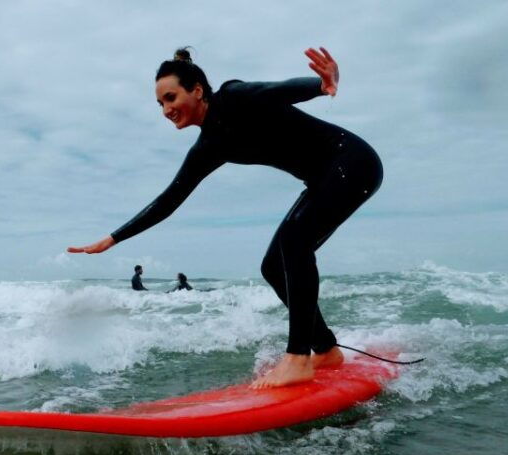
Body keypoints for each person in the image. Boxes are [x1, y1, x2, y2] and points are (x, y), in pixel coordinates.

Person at [68, 46, 383, 388]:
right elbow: (170, 199)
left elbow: (278, 89)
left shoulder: (234, 97)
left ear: (198, 90)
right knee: (273, 266)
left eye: (171, 97)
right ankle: (324, 349)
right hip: (324, 178)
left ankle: (298, 359)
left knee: (295, 242)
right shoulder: (208, 146)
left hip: (352, 162)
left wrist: (320, 85)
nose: (166, 109)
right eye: (160, 104)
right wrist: (113, 238)